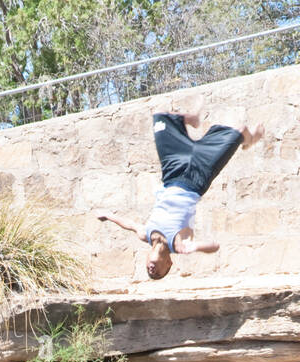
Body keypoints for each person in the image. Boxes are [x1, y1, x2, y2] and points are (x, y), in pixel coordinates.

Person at [95, 107, 264, 279]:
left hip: (172, 174)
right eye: (159, 273)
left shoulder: (144, 234)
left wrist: (108, 215)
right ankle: (248, 140)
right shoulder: (179, 244)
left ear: (146, 260)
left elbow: (129, 224)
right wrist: (195, 247)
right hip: (197, 178)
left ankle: (189, 119)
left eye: (149, 271)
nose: (152, 271)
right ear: (169, 263)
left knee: (160, 117)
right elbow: (214, 246)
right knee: (239, 131)